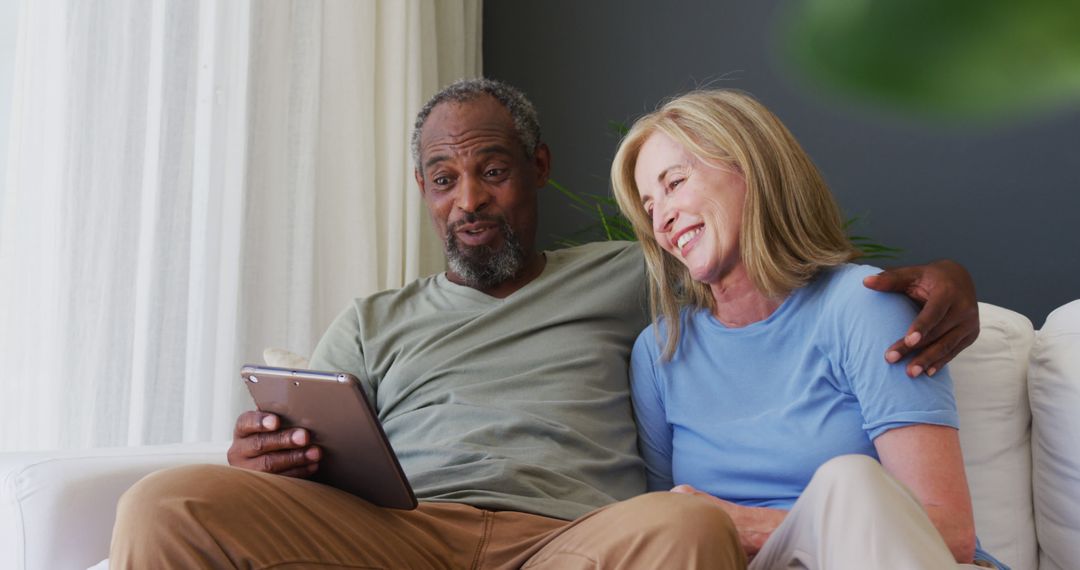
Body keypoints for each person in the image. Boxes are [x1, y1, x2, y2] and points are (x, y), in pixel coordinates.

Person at [109, 79, 981, 569]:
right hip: (403, 536)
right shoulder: (375, 319)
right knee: (165, 501)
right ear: (424, 194)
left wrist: (947, 281)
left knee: (683, 526)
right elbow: (305, 459)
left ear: (537, 171)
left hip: (570, 544)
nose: (471, 199)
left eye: (492, 170)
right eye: (444, 179)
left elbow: (781, 281)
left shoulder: (632, 284)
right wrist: (261, 459)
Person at [610, 88, 1004, 569]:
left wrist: (750, 525)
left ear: (751, 169)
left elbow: (952, 535)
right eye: (648, 207)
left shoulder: (860, 305)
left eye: (674, 183)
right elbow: (667, 531)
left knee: (849, 482)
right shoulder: (660, 352)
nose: (662, 219)